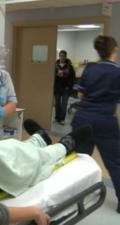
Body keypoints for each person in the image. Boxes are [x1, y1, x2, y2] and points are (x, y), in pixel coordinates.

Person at [71, 35, 120, 213]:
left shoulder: (90, 68)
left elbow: (80, 95)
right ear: (114, 51)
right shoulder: (117, 72)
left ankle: (74, 199)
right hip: (105, 121)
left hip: (83, 120)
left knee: (80, 160)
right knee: (115, 162)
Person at [54, 50, 76, 125]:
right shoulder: (55, 66)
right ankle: (57, 118)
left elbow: (73, 78)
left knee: (64, 105)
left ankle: (62, 119)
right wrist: (56, 74)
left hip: (66, 89)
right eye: (60, 56)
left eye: (63, 56)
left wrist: (69, 86)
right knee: (57, 104)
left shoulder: (70, 66)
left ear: (65, 57)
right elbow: (51, 77)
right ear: (59, 56)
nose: (61, 57)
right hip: (57, 88)